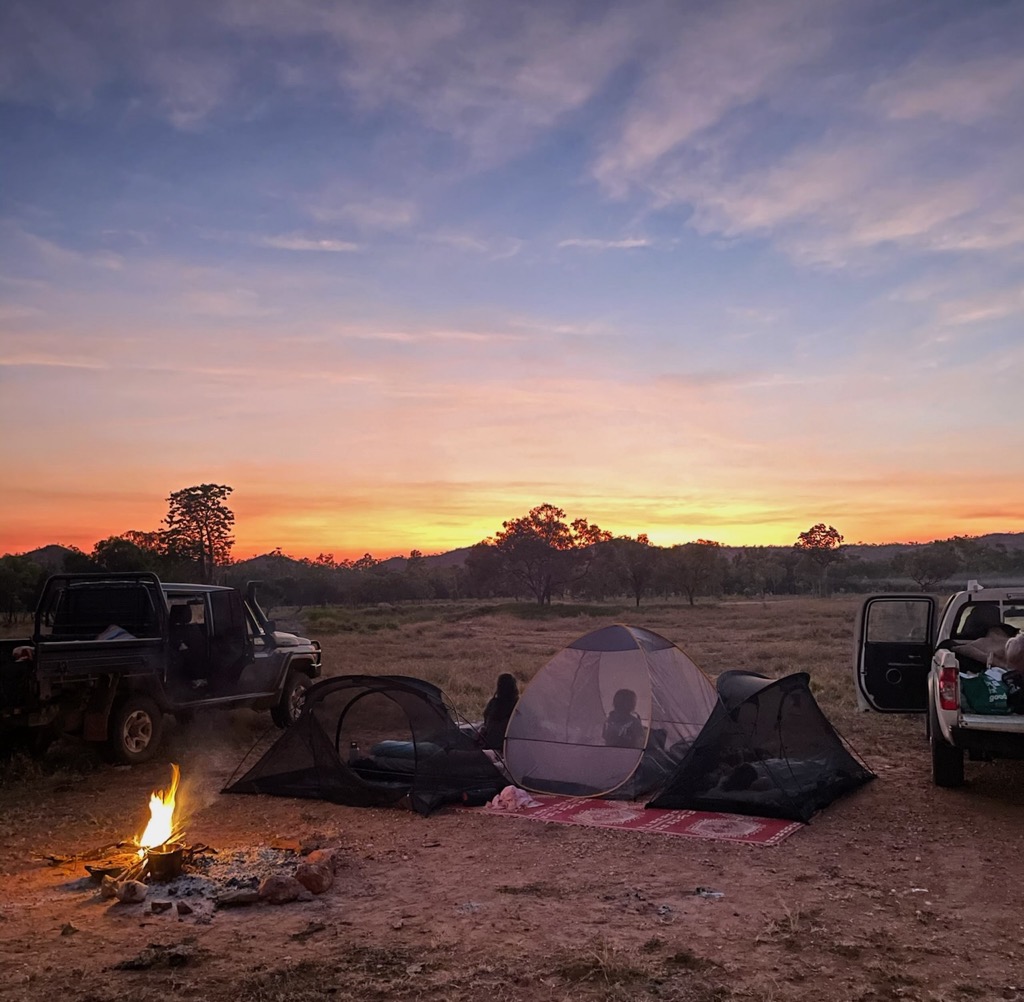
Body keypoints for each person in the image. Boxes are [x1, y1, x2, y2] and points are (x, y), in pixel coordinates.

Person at [478, 673, 519, 750]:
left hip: (489, 744)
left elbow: (486, 722)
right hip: (506, 747)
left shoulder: (493, 704)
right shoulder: (518, 706)